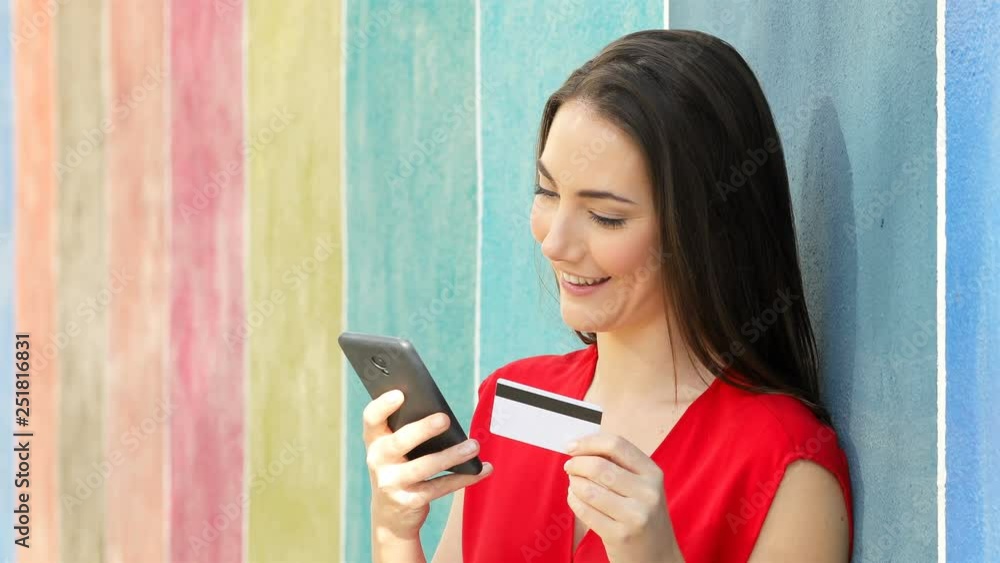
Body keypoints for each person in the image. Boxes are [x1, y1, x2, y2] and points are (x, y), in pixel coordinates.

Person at [363, 29, 853, 562]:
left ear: (705, 230)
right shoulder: (511, 400)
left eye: (606, 217)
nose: (555, 243)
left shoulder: (785, 465)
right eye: (548, 192)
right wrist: (396, 533)